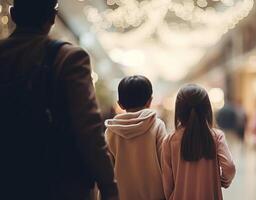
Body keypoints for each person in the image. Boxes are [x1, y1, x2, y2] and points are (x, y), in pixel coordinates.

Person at [0, 1, 118, 199]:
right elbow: (88, 129)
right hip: (57, 181)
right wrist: (109, 186)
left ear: (12, 14)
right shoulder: (68, 58)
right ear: (52, 17)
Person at [162, 84, 236, 200]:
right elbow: (229, 167)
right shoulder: (216, 137)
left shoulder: (169, 140)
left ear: (179, 110)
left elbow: (167, 181)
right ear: (207, 109)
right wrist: (223, 181)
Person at [105, 75, 167, 200]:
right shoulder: (157, 126)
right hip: (155, 195)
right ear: (150, 101)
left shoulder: (111, 131)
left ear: (120, 104)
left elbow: (107, 170)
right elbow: (165, 164)